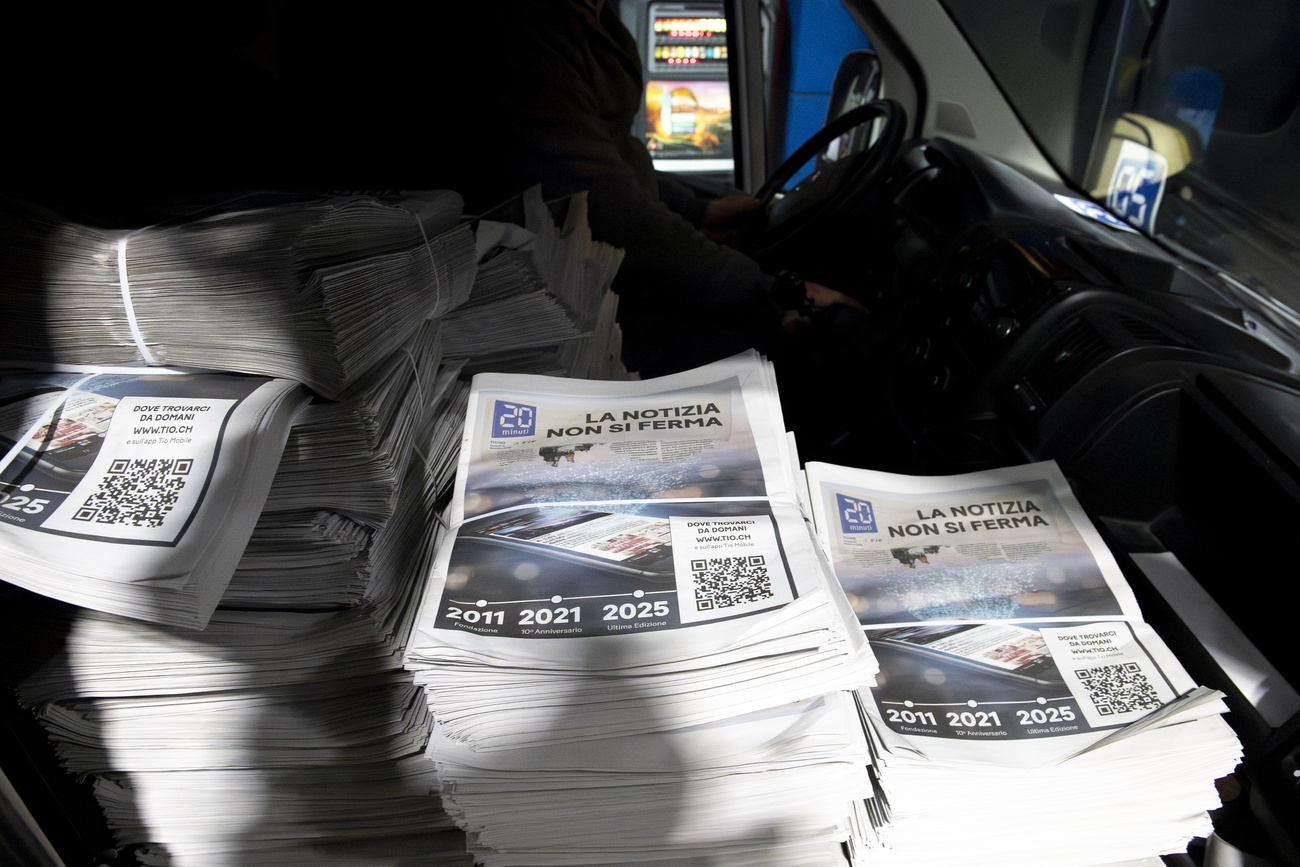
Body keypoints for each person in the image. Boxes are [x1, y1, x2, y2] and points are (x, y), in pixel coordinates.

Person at [417, 0, 862, 377]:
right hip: (549, 296)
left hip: (598, 270)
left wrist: (696, 211)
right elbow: (602, 205)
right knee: (778, 357)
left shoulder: (591, 16)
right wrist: (775, 293)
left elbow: (610, 154)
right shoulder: (521, 23)